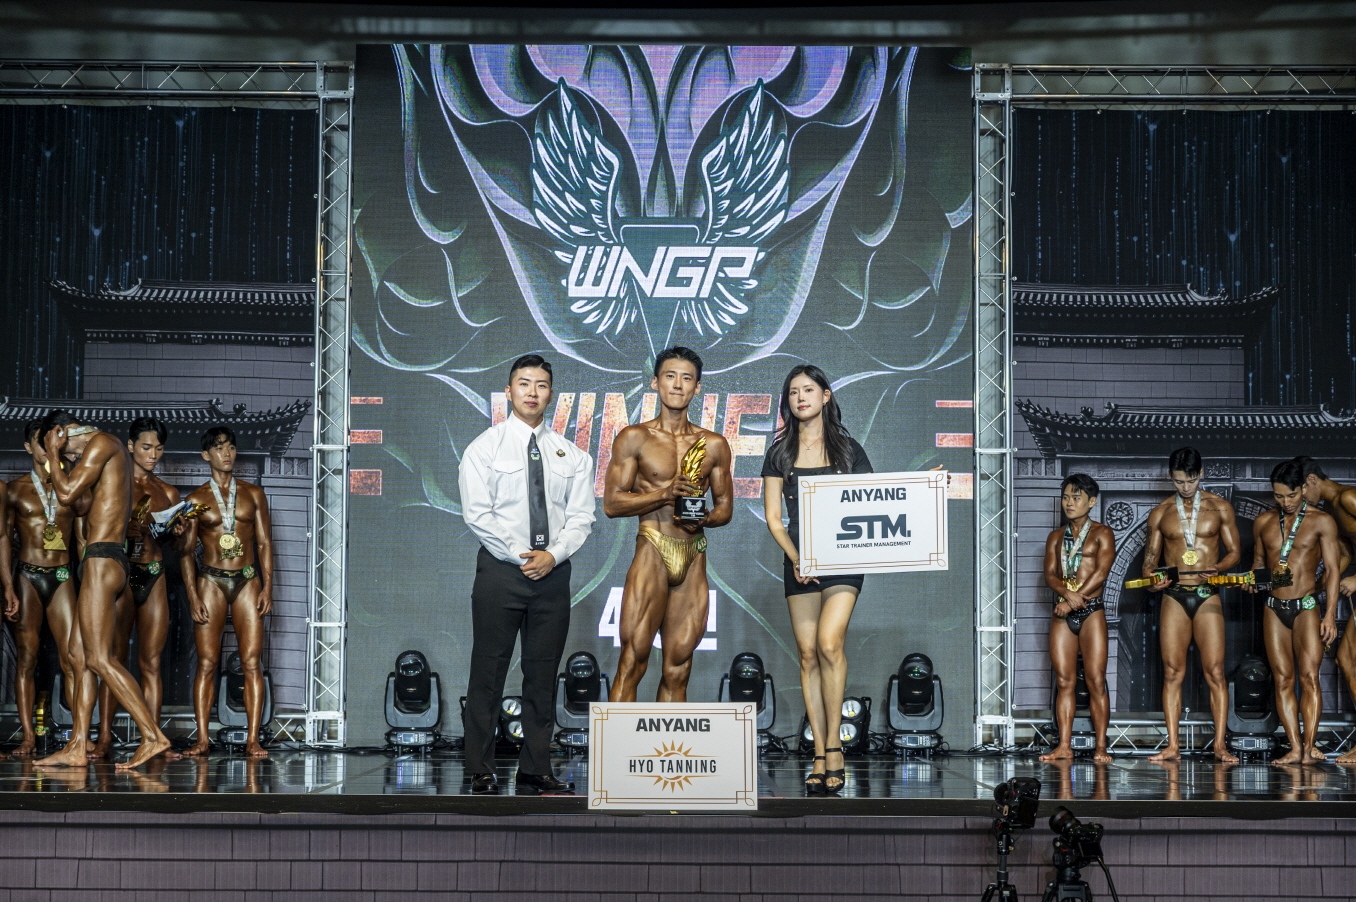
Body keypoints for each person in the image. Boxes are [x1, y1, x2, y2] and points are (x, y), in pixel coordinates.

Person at [458, 354, 596, 795]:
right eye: (524, 383)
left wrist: (552, 556)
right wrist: (522, 556)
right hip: (501, 572)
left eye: (540, 385)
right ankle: (479, 767)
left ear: (551, 393)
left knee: (543, 674)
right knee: (488, 671)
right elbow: (478, 514)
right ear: (509, 390)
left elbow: (582, 517)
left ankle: (536, 768)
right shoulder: (484, 448)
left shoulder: (572, 455)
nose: (532, 392)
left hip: (552, 575)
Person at [33, 410, 177, 769]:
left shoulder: (102, 442)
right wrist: (62, 463)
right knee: (78, 656)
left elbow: (66, 493)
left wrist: (54, 454)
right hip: (99, 560)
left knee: (99, 658)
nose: (68, 457)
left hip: (103, 559)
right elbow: (80, 503)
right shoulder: (101, 454)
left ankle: (152, 736)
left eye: (65, 449)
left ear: (63, 433)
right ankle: (78, 745)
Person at [760, 364, 872, 795]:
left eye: (808, 389)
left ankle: (834, 746)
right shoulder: (779, 453)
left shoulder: (848, 449)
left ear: (826, 396)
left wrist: (925, 488)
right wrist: (797, 558)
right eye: (793, 392)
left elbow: (876, 501)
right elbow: (774, 518)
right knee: (807, 655)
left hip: (844, 558)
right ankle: (819, 754)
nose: (800, 397)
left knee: (828, 643)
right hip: (799, 561)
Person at [604, 347, 733, 703]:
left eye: (686, 378)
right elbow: (612, 503)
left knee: (679, 667)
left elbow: (725, 508)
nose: (678, 385)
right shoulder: (634, 437)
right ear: (655, 382)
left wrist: (704, 518)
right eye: (670, 376)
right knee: (633, 659)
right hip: (653, 547)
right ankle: (618, 740)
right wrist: (664, 494)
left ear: (697, 387)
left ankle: (669, 739)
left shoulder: (714, 444)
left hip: (693, 554)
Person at [90, 417, 184, 759]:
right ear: (130, 446)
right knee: (111, 658)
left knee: (151, 662)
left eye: (158, 448)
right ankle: (104, 738)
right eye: (146, 447)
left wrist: (178, 533)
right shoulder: (114, 482)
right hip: (121, 572)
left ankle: (154, 739)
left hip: (153, 571)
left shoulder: (167, 492)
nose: (153, 454)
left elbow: (178, 549)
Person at [1142, 446, 1242, 762]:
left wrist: (1220, 567)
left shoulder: (1220, 507)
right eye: (1178, 481)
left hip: (1206, 593)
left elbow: (1235, 552)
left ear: (1201, 474)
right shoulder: (1160, 512)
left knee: (1215, 671)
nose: (1185, 487)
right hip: (1174, 595)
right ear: (1170, 478)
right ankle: (1173, 746)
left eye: (1190, 480)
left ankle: (1220, 745)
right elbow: (1149, 561)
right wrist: (1151, 577)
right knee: (1173, 672)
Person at [179, 426, 275, 759]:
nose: (227, 454)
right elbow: (185, 552)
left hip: (247, 579)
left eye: (231, 447)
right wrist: (192, 596)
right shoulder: (195, 500)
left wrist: (268, 587)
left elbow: (264, 543)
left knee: (251, 662)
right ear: (206, 455)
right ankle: (203, 739)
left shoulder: (254, 494)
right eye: (219, 449)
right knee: (207, 663)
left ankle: (253, 740)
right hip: (211, 580)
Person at [1249, 459, 1340, 765]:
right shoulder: (1263, 522)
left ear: (1302, 488)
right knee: (1283, 679)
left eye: (1291, 495)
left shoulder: (1321, 521)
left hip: (1307, 607)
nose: (1286, 502)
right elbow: (1258, 564)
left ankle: (1310, 747)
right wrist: (1253, 580)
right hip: (1274, 608)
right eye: (1278, 496)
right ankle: (1295, 748)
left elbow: (1333, 571)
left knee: (1309, 677)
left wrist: (1330, 615)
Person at [5, 419, 87, 757]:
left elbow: (82, 538)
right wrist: (7, 587)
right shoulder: (14, 490)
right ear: (28, 447)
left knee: (74, 659)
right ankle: (28, 737)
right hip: (27, 575)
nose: (48, 447)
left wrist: (91, 582)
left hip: (63, 575)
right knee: (27, 658)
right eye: (41, 442)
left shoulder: (70, 486)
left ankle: (78, 737)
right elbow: (3, 540)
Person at [1040, 474, 1114, 763]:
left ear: (1091, 501)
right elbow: (1050, 574)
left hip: (1091, 610)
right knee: (1064, 681)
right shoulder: (1055, 537)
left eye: (1076, 498)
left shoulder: (1102, 533)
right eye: (1066, 498)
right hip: (1063, 611)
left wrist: (1075, 598)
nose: (1069, 503)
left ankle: (1101, 748)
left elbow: (1101, 572)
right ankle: (1064, 746)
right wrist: (1066, 595)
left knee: (1095, 680)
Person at [1293, 456, 1356, 764]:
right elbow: (1343, 556)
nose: (1299, 499)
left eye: (1300, 491)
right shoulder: (1332, 509)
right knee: (1346, 659)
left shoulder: (1348, 497)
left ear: (1311, 481)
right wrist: (1316, 587)